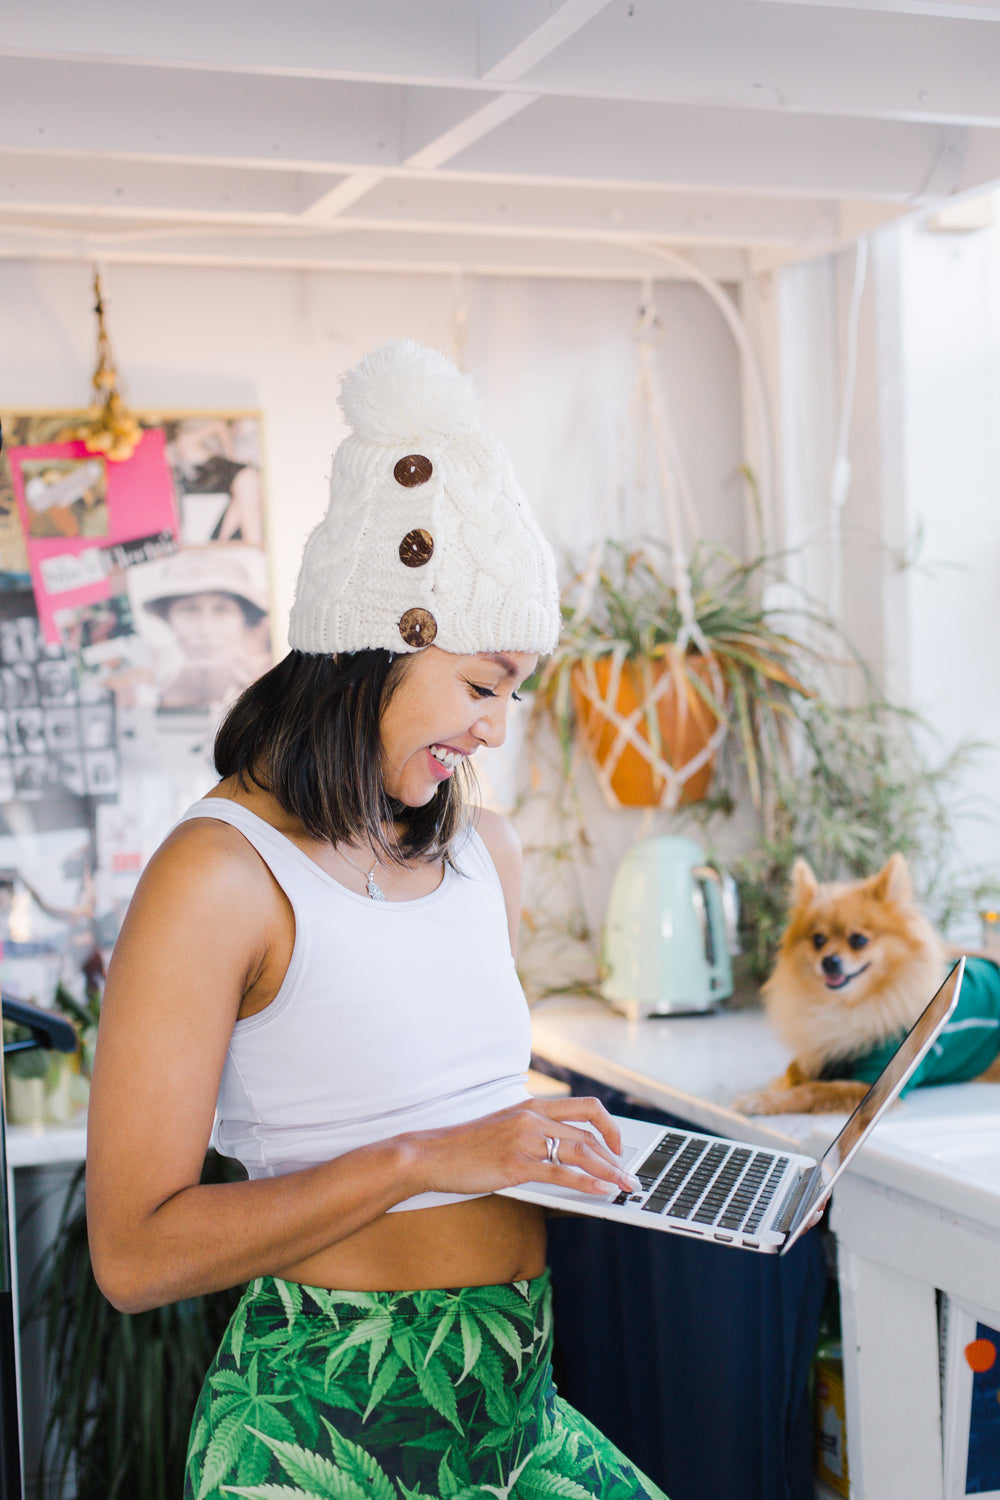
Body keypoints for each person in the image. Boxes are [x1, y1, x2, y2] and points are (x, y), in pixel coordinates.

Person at [86, 340, 668, 1500]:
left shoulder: (477, 853)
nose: (496, 728)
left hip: (513, 1414)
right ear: (379, 644)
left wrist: (546, 1136)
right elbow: (134, 1254)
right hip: (326, 1429)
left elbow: (446, 1095)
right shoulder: (217, 877)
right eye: (483, 683)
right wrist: (427, 1158)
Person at [135, 545, 272, 709]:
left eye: (222, 610)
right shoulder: (147, 695)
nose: (205, 630)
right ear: (168, 618)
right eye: (189, 610)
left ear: (244, 620)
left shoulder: (264, 697)